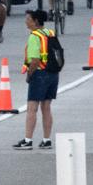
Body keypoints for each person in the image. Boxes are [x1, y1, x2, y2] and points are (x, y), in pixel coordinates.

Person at [14, 10, 59, 150]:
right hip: (53, 73)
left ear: (36, 21)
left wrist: (29, 75)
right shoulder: (50, 33)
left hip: (39, 73)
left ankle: (28, 140)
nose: (26, 21)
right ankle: (46, 140)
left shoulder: (34, 36)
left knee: (32, 108)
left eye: (28, 19)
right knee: (46, 107)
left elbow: (34, 60)